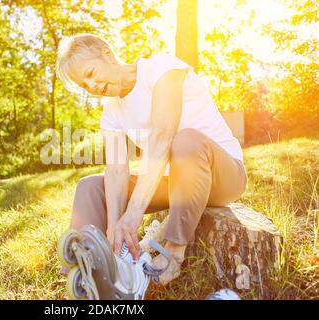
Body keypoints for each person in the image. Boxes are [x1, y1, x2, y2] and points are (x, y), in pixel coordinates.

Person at [55, 33, 247, 285]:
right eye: (83, 85)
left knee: (185, 139)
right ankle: (87, 270)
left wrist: (133, 214)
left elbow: (162, 137)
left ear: (106, 53)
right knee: (91, 186)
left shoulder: (161, 69)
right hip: (179, 184)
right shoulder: (111, 110)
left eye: (90, 73)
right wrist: (114, 228)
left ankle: (174, 254)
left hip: (223, 175)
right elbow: (115, 170)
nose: (91, 86)